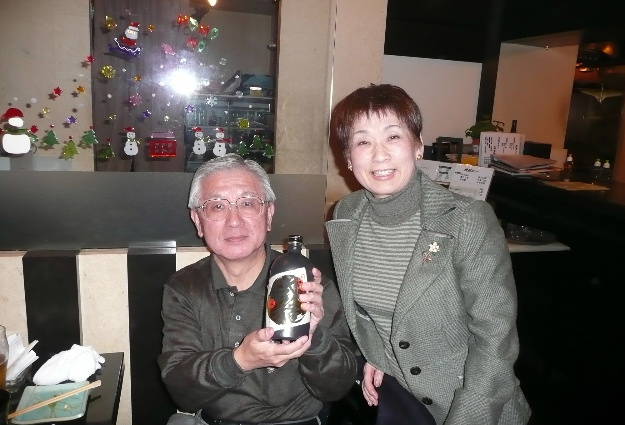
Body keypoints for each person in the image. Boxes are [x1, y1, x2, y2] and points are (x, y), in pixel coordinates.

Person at [326, 84, 531, 425]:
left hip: (472, 406)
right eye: (363, 142)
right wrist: (378, 354)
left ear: (418, 146)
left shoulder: (466, 220)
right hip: (401, 403)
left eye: (393, 136)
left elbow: (496, 338)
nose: (379, 155)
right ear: (347, 157)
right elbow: (363, 310)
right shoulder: (346, 214)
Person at [159, 154, 357, 425]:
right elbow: (181, 391)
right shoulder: (184, 288)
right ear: (197, 220)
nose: (234, 220)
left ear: (269, 214)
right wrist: (241, 360)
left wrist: (314, 337)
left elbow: (337, 389)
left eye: (247, 203)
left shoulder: (308, 283)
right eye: (217, 206)